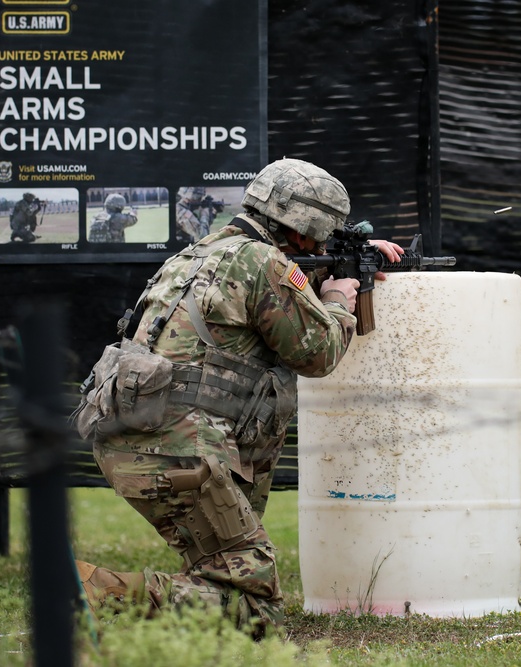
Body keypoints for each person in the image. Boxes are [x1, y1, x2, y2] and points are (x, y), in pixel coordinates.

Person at [74, 158, 404, 635]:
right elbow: (318, 353)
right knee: (253, 610)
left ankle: (154, 623)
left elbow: (250, 311)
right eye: (322, 234)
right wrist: (336, 301)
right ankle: (90, 592)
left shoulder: (197, 254)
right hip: (177, 449)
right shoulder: (265, 263)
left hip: (135, 437)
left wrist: (343, 259)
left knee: (219, 570)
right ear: (302, 225)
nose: (321, 244)